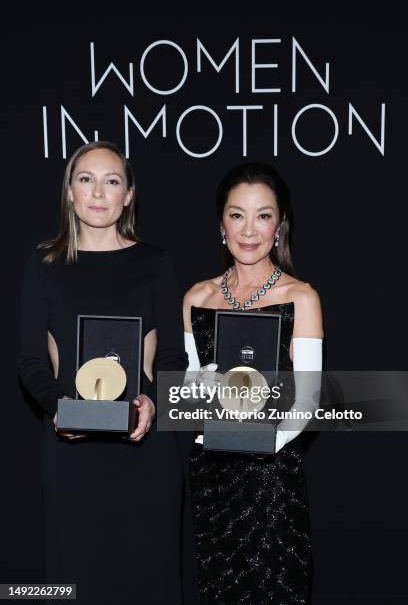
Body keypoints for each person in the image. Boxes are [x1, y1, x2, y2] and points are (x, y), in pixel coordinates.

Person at [17, 141, 192, 605]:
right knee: (76, 581)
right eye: (86, 179)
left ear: (129, 195)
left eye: (112, 181)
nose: (98, 192)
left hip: (144, 450)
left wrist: (153, 399)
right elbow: (30, 361)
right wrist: (58, 410)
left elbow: (173, 355)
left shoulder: (156, 264)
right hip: (71, 453)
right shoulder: (44, 264)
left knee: (148, 581)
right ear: (70, 192)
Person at [183, 162, 323, 605]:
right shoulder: (197, 297)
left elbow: (310, 399)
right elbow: (188, 391)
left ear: (279, 226)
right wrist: (195, 388)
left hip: (272, 480)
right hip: (212, 477)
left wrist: (267, 442)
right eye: (236, 214)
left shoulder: (300, 297)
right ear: (221, 223)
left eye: (263, 215)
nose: (249, 229)